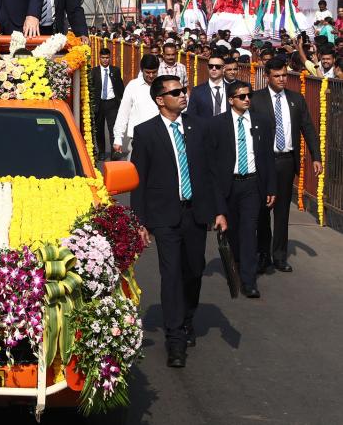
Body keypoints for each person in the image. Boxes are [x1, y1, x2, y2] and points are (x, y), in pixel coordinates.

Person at [131, 75, 226, 367]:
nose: (183, 95)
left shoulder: (198, 128)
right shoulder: (146, 132)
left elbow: (212, 172)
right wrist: (140, 221)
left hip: (196, 213)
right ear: (161, 99)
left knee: (193, 271)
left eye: (183, 90)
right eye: (176, 92)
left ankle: (186, 319)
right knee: (171, 274)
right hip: (164, 215)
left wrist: (219, 210)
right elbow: (139, 180)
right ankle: (175, 339)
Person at [253, 58, 322, 273]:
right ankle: (263, 254)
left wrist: (316, 156)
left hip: (285, 161)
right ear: (267, 77)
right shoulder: (256, 100)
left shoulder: (296, 99)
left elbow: (308, 128)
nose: (282, 79)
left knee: (282, 212)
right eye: (277, 76)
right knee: (263, 210)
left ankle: (280, 256)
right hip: (264, 162)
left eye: (284, 75)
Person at [208, 80, 276, 298]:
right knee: (233, 231)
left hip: (252, 184)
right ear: (231, 100)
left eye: (249, 95)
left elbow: (267, 157)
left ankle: (248, 281)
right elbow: (212, 162)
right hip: (228, 185)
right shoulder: (217, 124)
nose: (247, 99)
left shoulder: (262, 122)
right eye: (242, 96)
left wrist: (271, 187)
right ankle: (235, 265)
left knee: (249, 231)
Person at [112, 54, 161, 158]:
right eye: (148, 72)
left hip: (160, 138)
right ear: (142, 70)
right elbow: (123, 113)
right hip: (137, 140)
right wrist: (118, 138)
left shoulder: (163, 85)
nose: (151, 76)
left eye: (154, 72)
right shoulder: (133, 86)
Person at [89, 47, 124, 161]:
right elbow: (91, 88)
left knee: (113, 128)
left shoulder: (115, 71)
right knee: (99, 130)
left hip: (112, 103)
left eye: (107, 58)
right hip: (99, 103)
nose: (105, 60)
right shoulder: (94, 71)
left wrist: (121, 102)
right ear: (99, 58)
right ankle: (102, 152)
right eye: (103, 58)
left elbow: (120, 87)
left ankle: (115, 152)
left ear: (110, 58)